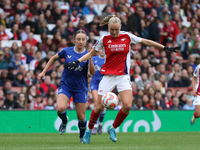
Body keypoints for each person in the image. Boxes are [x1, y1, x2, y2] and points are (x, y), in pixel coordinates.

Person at [64, 15, 180, 144]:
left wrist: (164, 48)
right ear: (108, 28)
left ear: (120, 28)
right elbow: (91, 53)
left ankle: (113, 128)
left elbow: (145, 41)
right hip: (108, 76)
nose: (114, 32)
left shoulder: (127, 36)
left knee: (127, 105)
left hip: (123, 76)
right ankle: (89, 131)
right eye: (112, 30)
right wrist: (77, 61)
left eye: (116, 30)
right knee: (99, 108)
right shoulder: (104, 39)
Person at [37, 29, 95, 143]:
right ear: (74, 40)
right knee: (60, 108)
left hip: (81, 88)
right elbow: (54, 58)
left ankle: (81, 138)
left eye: (83, 39)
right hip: (66, 85)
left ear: (86, 40)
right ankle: (64, 121)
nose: (81, 41)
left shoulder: (87, 54)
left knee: (81, 117)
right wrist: (43, 72)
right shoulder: (67, 51)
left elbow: (92, 73)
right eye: (78, 39)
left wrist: (91, 57)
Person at [90, 49, 105, 135]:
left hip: (104, 84)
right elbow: (90, 70)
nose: (102, 51)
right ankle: (94, 126)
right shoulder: (94, 58)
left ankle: (100, 124)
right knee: (96, 103)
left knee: (102, 105)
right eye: (101, 49)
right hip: (94, 83)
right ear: (99, 50)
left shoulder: (108, 59)